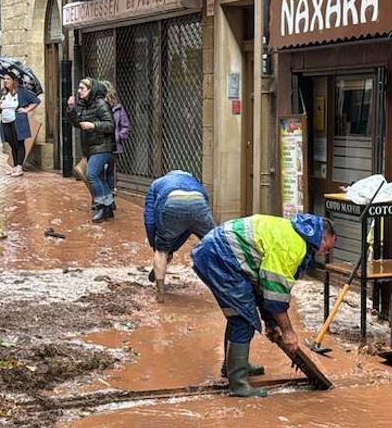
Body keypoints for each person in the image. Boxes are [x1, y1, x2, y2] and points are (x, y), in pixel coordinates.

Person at [191, 213, 336, 397]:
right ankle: (238, 385)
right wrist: (288, 332)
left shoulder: (295, 234)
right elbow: (275, 294)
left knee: (238, 313)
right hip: (220, 256)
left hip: (218, 252)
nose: (326, 253)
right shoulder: (293, 247)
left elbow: (262, 285)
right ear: (322, 238)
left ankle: (234, 367)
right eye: (328, 247)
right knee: (242, 319)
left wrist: (270, 322)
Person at [143, 170, 214, 302]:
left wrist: (157, 245)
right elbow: (189, 227)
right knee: (215, 244)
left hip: (172, 201)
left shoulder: (157, 183)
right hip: (198, 201)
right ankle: (227, 285)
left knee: (161, 251)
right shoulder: (197, 185)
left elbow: (149, 219)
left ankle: (160, 293)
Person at [66, 77, 116, 222]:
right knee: (99, 177)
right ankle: (108, 207)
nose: (79, 91)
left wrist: (93, 125)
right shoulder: (83, 105)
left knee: (92, 175)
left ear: (90, 90)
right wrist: (71, 109)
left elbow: (110, 125)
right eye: (79, 88)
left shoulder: (100, 104)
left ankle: (101, 206)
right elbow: (78, 123)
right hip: (90, 147)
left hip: (103, 147)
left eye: (82, 88)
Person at [0, 72, 41, 177]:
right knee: (12, 144)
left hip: (17, 121)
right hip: (6, 122)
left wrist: (26, 110)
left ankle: (19, 167)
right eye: (4, 79)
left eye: (8, 79)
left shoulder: (21, 92)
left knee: (19, 143)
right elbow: (1, 107)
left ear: (14, 81)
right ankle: (15, 167)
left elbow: (36, 101)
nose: (5, 81)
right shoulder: (4, 93)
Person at [105, 81, 131, 193]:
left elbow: (125, 126)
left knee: (110, 172)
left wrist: (118, 137)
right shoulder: (97, 107)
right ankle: (100, 198)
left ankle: (109, 198)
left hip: (113, 146)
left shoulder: (118, 108)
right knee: (98, 172)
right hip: (100, 145)